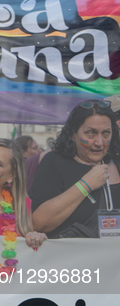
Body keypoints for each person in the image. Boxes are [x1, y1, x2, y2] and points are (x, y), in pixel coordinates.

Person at [31, 100, 120, 238]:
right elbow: (39, 223)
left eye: (106, 133)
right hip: (71, 257)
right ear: (73, 134)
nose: (99, 142)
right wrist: (85, 185)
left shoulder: (117, 161)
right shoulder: (54, 162)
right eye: (91, 133)